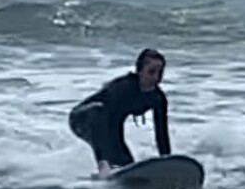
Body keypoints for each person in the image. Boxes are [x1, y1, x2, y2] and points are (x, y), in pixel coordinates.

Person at [69, 48, 171, 176]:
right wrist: (104, 162)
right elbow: (105, 128)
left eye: (160, 73)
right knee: (100, 116)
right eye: (151, 72)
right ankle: (103, 169)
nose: (156, 78)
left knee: (126, 165)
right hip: (81, 118)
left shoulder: (157, 98)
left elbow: (161, 133)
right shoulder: (123, 88)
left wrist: (168, 163)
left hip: (107, 124)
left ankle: (107, 172)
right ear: (139, 71)